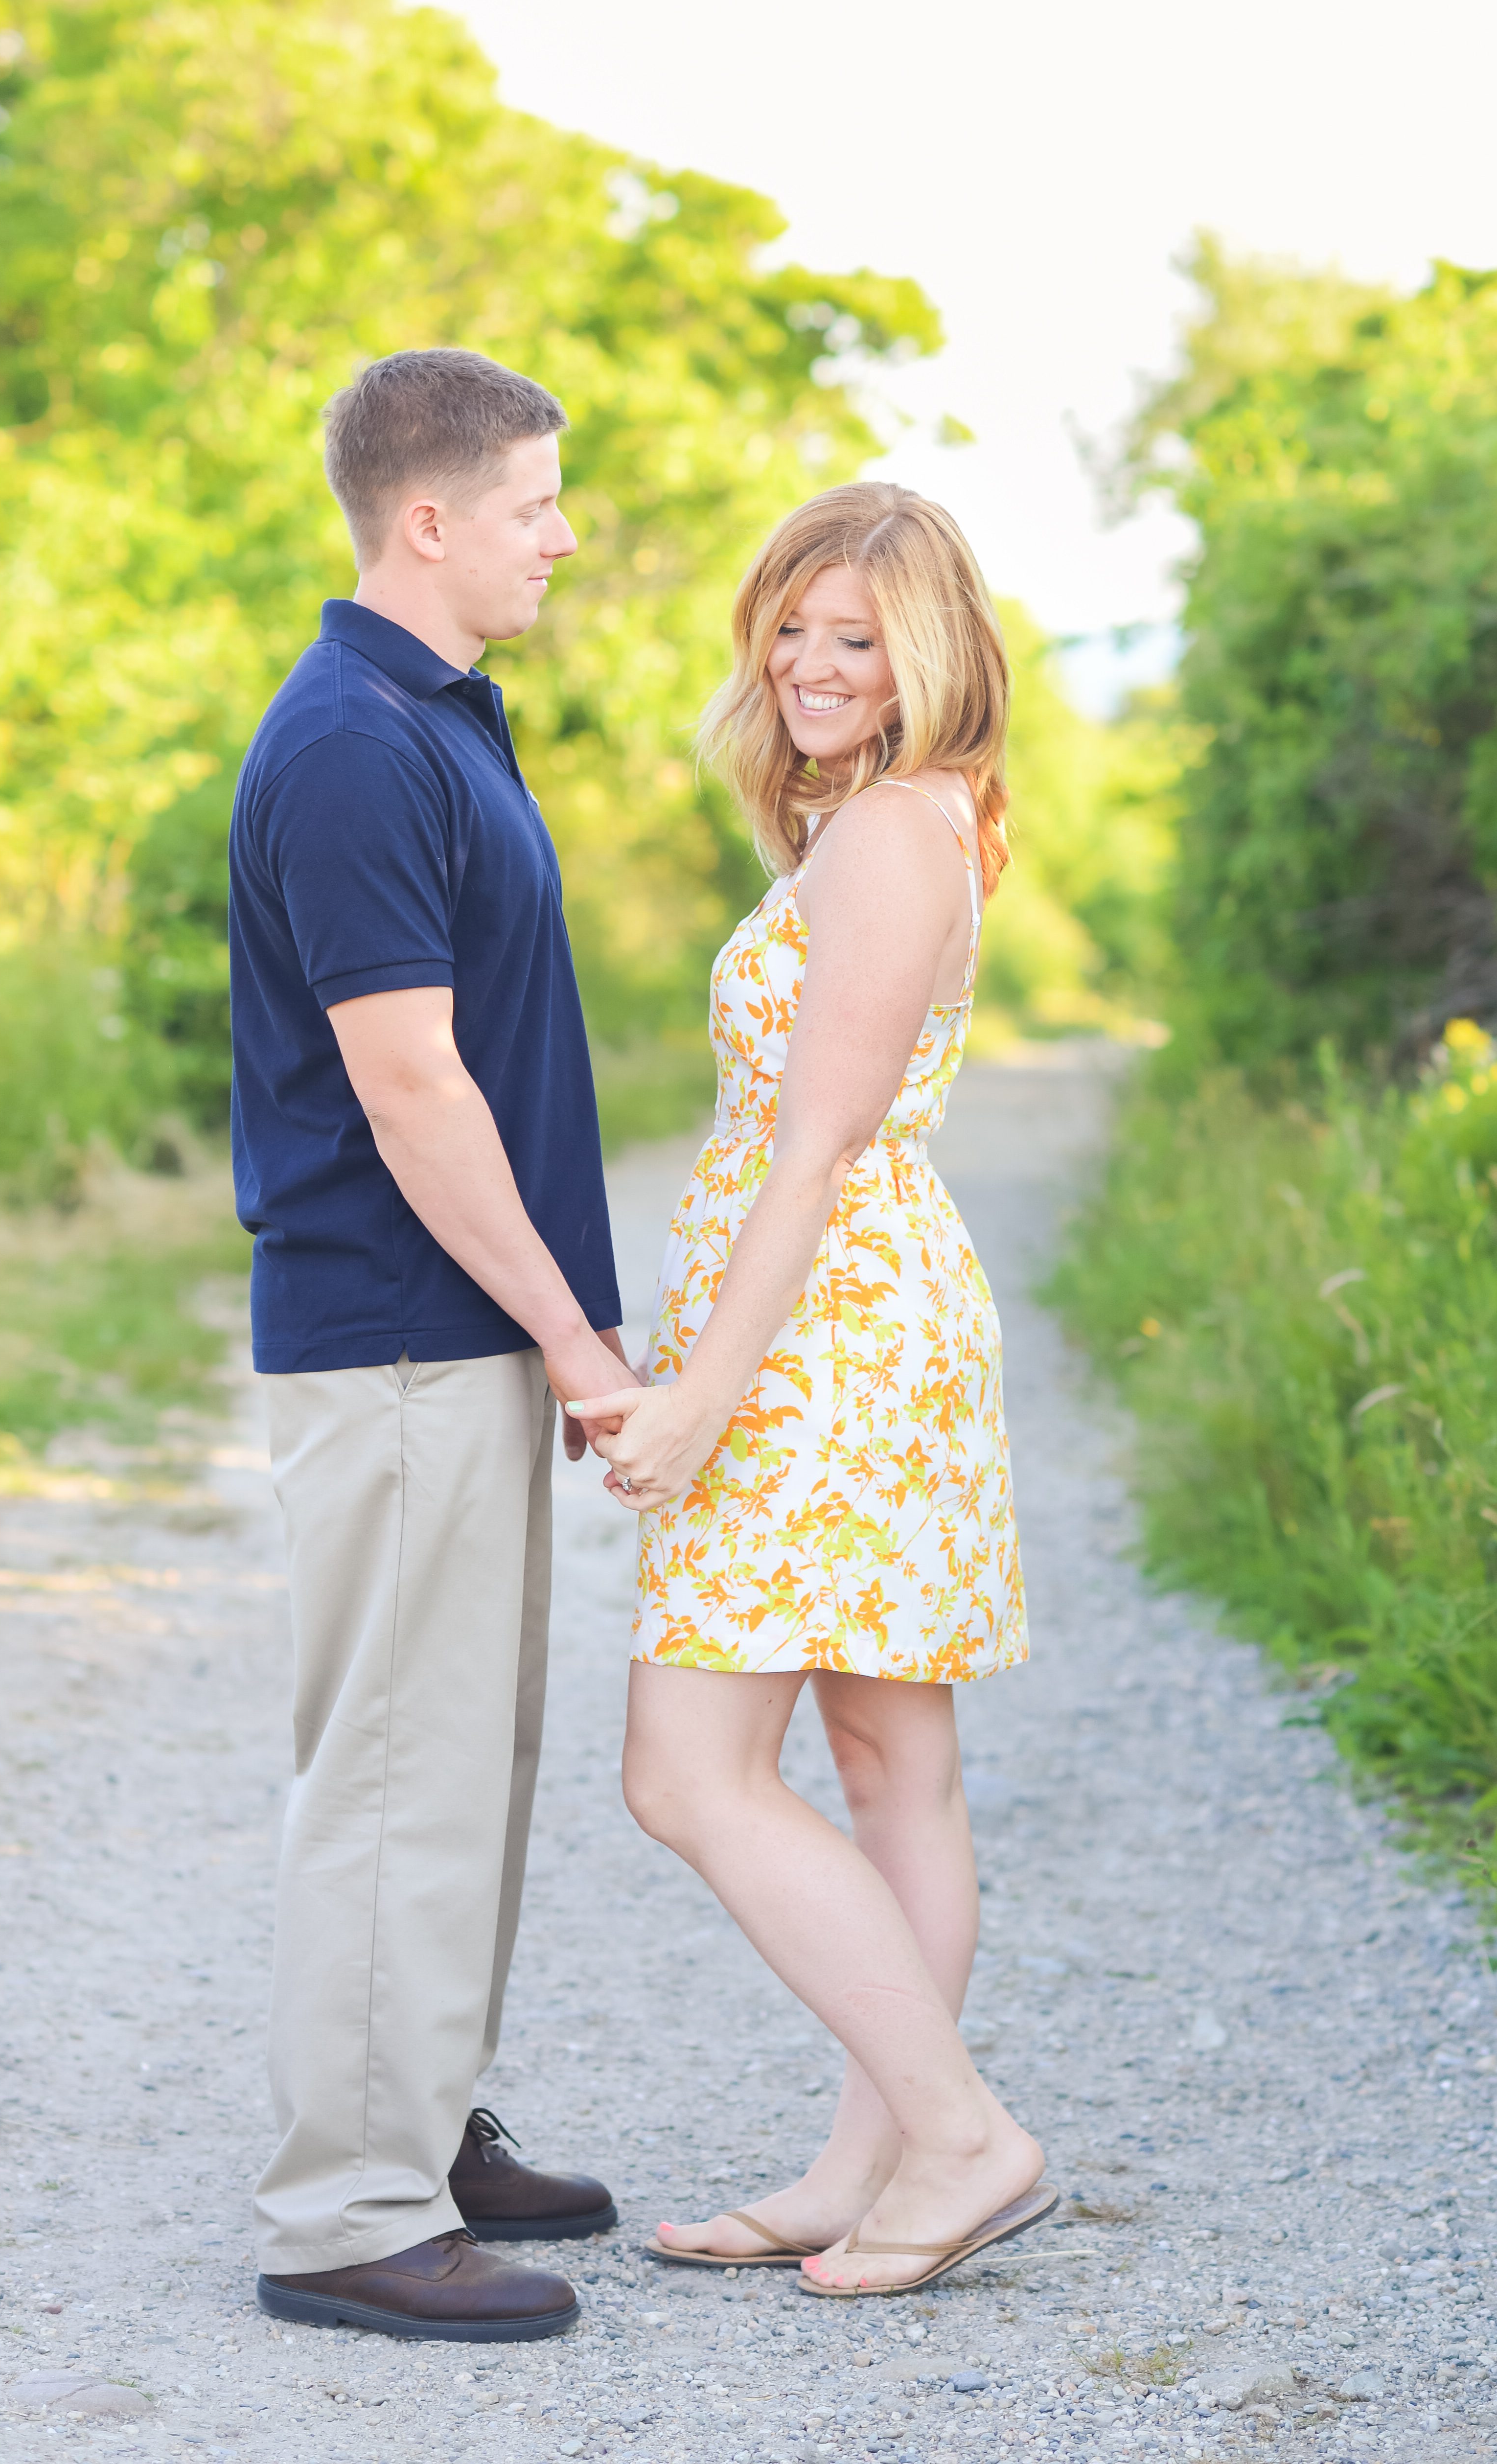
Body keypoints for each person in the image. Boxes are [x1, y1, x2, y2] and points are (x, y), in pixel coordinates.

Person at [571, 483, 1053, 2301]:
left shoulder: (891, 841)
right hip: (864, 1319)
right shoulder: (891, 824)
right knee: (888, 1763)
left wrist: (699, 1388)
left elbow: (819, 1145)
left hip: (830, 1336)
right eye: (794, 625)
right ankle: (878, 2169)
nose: (811, 664)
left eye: (858, 638)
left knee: (689, 1768)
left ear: (927, 660)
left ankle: (956, 2137)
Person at [227, 348, 635, 2343]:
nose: (566, 533)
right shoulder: (352, 748)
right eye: (542, 501)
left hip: (454, 1335)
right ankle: (344, 2213)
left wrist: (565, 1317)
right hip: (396, 1333)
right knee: (394, 1767)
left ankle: (424, 2117)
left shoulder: (437, 720)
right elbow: (410, 1088)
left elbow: (498, 1060)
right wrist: (571, 1333)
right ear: (431, 519)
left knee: (462, 1750)